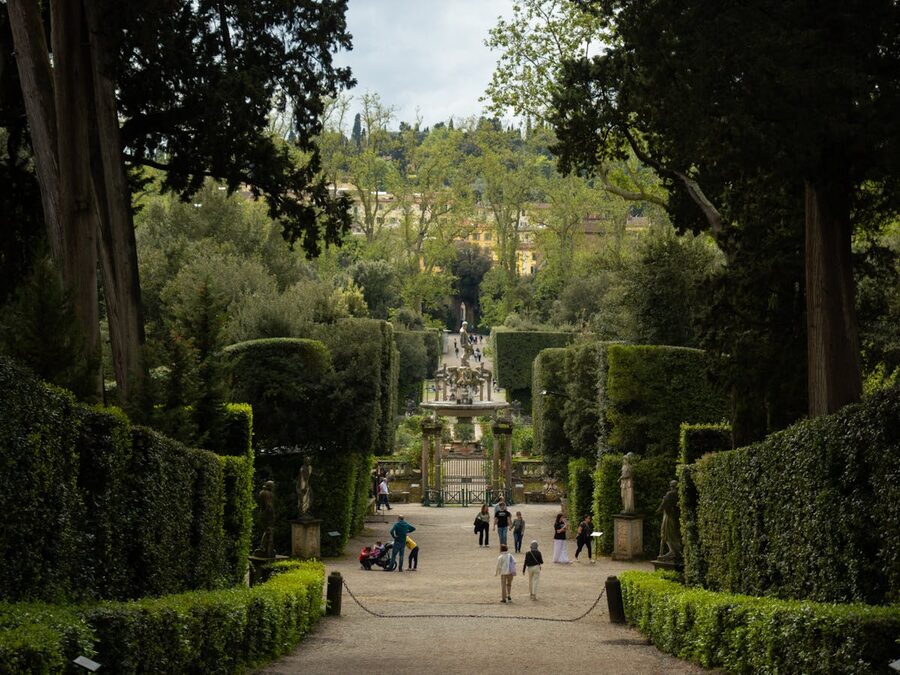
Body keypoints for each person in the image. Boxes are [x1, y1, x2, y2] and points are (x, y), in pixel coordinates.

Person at [657, 480, 683, 560]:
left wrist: (658, 510)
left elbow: (664, 504)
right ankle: (676, 551)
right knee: (674, 533)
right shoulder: (680, 494)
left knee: (666, 533)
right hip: (676, 517)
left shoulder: (670, 494)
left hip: (668, 516)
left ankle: (672, 551)